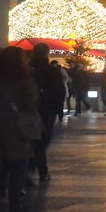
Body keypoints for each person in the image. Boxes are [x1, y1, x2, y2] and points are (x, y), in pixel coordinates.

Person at [0, 46, 39, 212]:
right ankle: (14, 200)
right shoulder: (25, 80)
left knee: (3, 161)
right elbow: (31, 103)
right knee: (18, 164)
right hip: (18, 127)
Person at [29, 43, 66, 182]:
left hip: (30, 110)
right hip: (46, 109)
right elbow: (60, 91)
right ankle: (40, 170)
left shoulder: (27, 70)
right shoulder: (51, 71)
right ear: (47, 53)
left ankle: (32, 169)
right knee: (42, 140)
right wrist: (56, 109)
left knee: (32, 140)